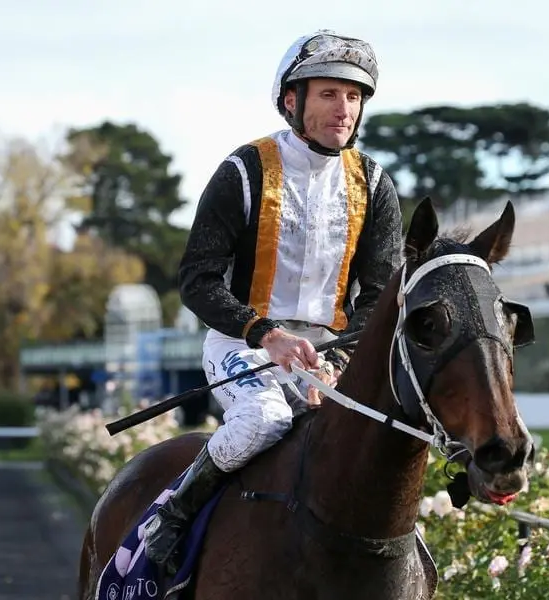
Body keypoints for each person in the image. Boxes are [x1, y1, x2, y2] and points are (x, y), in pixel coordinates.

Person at [142, 30, 403, 574]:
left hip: (333, 352)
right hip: (242, 343)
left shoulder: (375, 184)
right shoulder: (244, 169)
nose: (344, 108)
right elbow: (197, 280)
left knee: (377, 443)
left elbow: (380, 295)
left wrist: (340, 358)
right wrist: (267, 335)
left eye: (354, 96)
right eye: (330, 93)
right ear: (292, 100)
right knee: (263, 420)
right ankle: (171, 519)